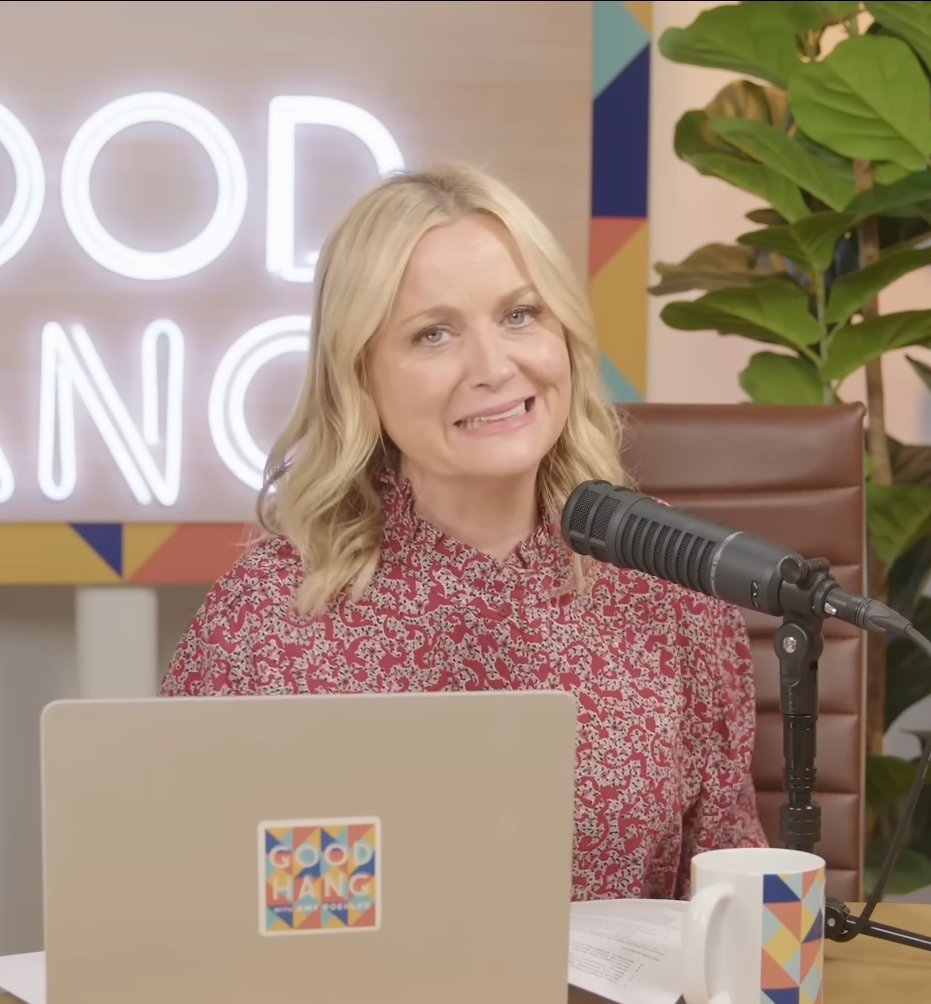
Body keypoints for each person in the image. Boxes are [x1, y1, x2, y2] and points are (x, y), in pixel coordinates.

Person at [163, 163, 767, 900]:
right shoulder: (265, 618)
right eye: (434, 333)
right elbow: (190, 899)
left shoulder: (672, 582)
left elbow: (731, 885)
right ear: (360, 376)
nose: (494, 366)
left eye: (520, 315)